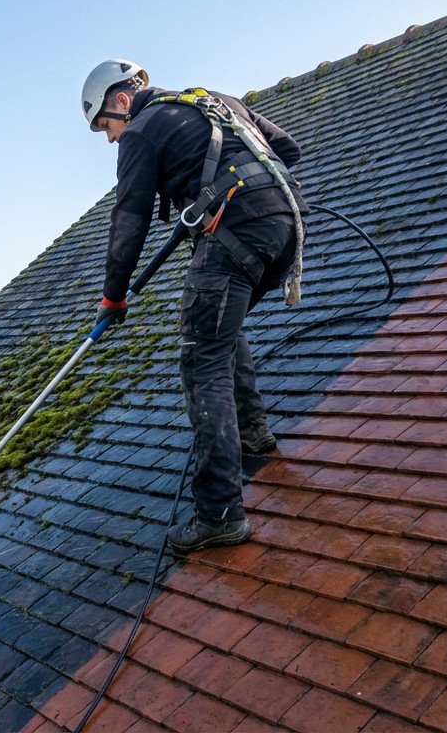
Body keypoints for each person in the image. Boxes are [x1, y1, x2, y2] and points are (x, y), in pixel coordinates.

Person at [82, 59, 307, 552]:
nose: (110, 139)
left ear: (122, 101)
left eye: (105, 126)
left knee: (200, 360)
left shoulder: (142, 129)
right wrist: (222, 195)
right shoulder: (214, 99)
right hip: (285, 229)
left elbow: (129, 218)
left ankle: (219, 514)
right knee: (221, 332)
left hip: (236, 236)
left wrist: (113, 295)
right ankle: (252, 434)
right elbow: (287, 149)